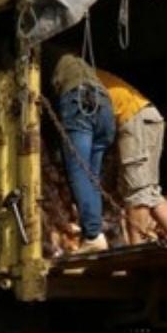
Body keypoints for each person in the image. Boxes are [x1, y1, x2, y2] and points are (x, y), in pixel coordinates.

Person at [96, 68, 167, 244]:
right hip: (145, 116)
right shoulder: (89, 74)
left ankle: (137, 248)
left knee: (136, 191)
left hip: (134, 118)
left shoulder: (73, 77)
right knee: (150, 192)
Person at [50, 52, 115, 253]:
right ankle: (95, 235)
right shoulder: (80, 64)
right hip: (105, 104)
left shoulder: (43, 60)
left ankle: (93, 235)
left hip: (78, 100)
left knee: (79, 171)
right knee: (92, 176)